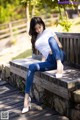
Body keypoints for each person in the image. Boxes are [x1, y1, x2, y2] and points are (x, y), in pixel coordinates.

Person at [22, 17, 65, 113]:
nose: (38, 30)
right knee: (31, 67)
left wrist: (53, 50)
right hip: (50, 61)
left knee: (51, 40)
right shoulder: (36, 38)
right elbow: (43, 53)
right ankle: (26, 98)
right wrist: (42, 63)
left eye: (39, 27)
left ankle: (59, 64)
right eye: (35, 29)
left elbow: (60, 45)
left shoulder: (49, 31)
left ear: (42, 24)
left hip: (59, 55)